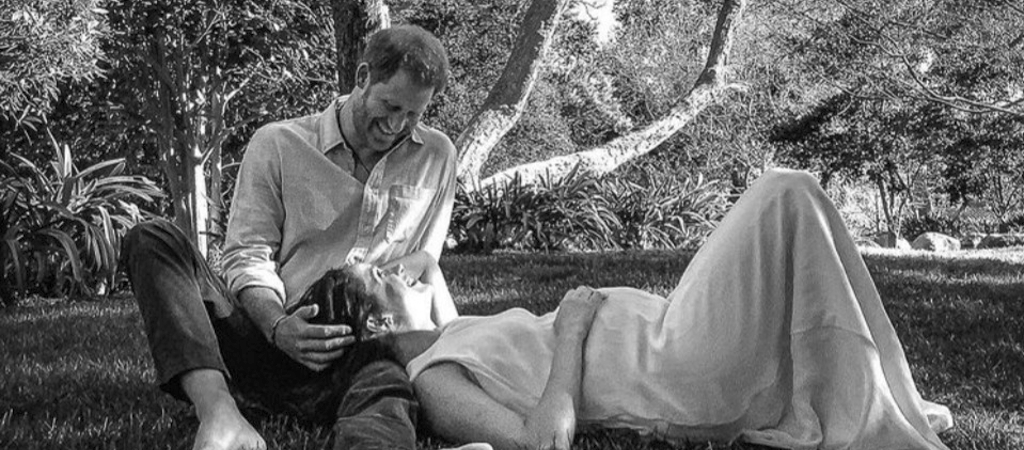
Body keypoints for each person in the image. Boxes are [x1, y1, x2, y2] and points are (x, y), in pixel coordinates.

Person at [309, 169, 955, 450]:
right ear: (380, 322)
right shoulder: (433, 379)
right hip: (675, 366)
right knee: (785, 192)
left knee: (794, 206)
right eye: (382, 275)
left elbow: (426, 265)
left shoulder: (450, 329)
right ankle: (879, 405)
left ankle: (883, 395)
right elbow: (540, 442)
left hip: (670, 328)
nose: (400, 267)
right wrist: (570, 330)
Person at [122, 25, 472, 450]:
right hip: (270, 340)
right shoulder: (278, 143)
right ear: (362, 77)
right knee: (152, 239)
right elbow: (247, 255)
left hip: (367, 356)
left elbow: (420, 270)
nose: (397, 124)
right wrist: (279, 326)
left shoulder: (437, 156)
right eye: (390, 105)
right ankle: (219, 412)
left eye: (414, 114)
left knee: (385, 390)